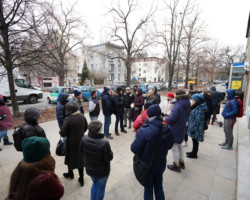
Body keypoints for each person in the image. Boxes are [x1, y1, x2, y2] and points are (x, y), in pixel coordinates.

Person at [131, 104, 173, 200]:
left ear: (149, 115)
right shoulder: (168, 129)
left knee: (148, 189)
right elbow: (170, 146)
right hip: (160, 165)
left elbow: (134, 148)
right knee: (159, 188)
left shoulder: (144, 131)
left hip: (147, 167)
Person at [80, 120, 113, 200]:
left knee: (94, 184)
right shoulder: (104, 143)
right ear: (99, 130)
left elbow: (81, 152)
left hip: (90, 169)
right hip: (102, 172)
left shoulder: (83, 139)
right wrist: (111, 152)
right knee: (101, 188)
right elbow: (109, 158)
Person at [60, 101, 88, 187]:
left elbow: (63, 133)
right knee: (80, 159)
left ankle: (70, 174)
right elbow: (86, 127)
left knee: (70, 159)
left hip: (71, 143)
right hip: (81, 141)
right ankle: (81, 178)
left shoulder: (67, 119)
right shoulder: (82, 116)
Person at [165, 91, 190, 172]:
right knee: (179, 146)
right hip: (182, 127)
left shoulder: (178, 105)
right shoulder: (187, 103)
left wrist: (166, 119)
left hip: (175, 128)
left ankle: (176, 165)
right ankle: (181, 162)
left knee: (174, 147)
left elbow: (172, 118)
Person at [186, 94, 208, 159]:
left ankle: (194, 154)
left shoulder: (199, 108)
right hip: (194, 126)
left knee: (195, 140)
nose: (191, 100)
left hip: (196, 127)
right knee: (194, 140)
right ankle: (193, 151)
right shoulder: (197, 106)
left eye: (193, 99)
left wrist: (192, 128)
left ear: (196, 100)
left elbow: (197, 120)